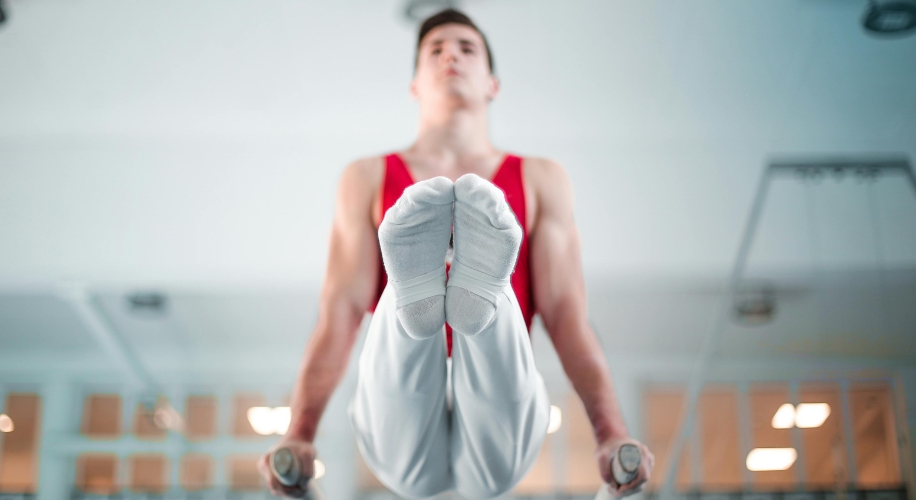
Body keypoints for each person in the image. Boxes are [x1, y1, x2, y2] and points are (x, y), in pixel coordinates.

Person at [258, 9, 655, 499]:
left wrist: (610, 432)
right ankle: (427, 302)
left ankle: (478, 304)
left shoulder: (540, 178)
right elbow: (339, 315)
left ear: (492, 83)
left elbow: (568, 318)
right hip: (431, 402)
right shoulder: (365, 177)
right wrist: (299, 431)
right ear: (414, 86)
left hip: (484, 399)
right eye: (436, 49)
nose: (451, 55)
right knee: (405, 350)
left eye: (467, 48)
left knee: (428, 452)